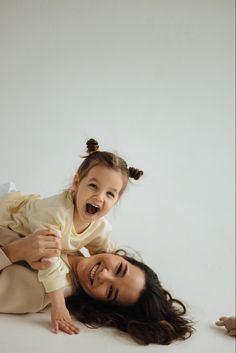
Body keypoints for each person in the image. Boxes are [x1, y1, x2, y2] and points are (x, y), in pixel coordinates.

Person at [0, 138, 143, 333]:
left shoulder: (100, 227)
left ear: (117, 200)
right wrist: (58, 306)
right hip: (8, 211)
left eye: (110, 194)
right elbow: (49, 260)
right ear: (77, 182)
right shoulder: (56, 213)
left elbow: (107, 250)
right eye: (93, 186)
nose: (100, 197)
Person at [0, 227, 194, 345]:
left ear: (101, 302)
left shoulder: (39, 291)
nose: (104, 275)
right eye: (119, 269)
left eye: (110, 291)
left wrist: (15, 251)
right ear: (120, 256)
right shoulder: (75, 236)